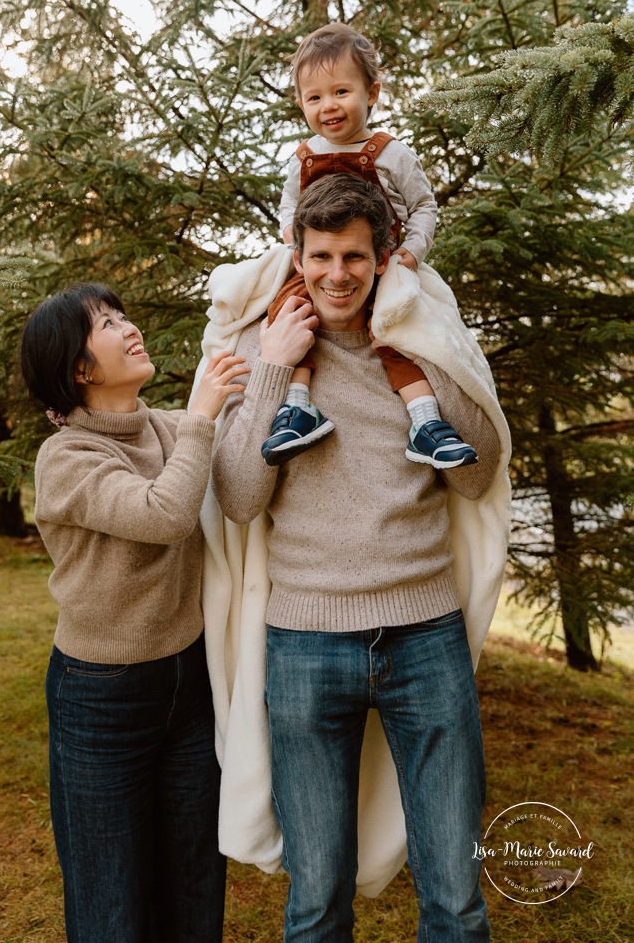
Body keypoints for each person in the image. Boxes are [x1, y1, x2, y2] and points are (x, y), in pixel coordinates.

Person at [211, 175, 502, 942]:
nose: (335, 274)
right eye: (319, 257)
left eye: (352, 257)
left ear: (380, 261)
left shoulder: (416, 345)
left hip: (423, 636)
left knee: (455, 898)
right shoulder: (263, 349)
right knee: (315, 901)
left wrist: (425, 347)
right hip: (305, 645)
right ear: (296, 257)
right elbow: (240, 497)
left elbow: (474, 472)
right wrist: (275, 366)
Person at [20, 282, 249, 943]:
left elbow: (241, 434)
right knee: (110, 896)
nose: (127, 327)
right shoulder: (65, 459)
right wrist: (205, 413)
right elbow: (164, 515)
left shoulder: (166, 427)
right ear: (79, 370)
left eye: (122, 313)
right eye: (104, 324)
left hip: (187, 680)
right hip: (101, 697)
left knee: (193, 880)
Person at [261, 22, 478, 471]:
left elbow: (423, 207)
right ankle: (298, 404)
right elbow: (288, 205)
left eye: (341, 91)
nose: (328, 106)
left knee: (398, 328)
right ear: (301, 103)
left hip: (386, 263)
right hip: (322, 268)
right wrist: (291, 236)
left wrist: (411, 254)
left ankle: (425, 421)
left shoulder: (391, 153)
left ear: (372, 92)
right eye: (314, 97)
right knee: (289, 313)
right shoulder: (301, 157)